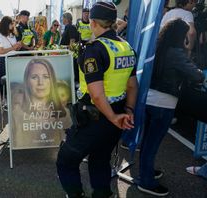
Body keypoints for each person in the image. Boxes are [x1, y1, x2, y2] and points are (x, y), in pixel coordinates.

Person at [56, 2, 138, 198]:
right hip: (118, 114)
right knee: (100, 158)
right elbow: (133, 85)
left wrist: (112, 117)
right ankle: (102, 194)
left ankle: (75, 194)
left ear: (92, 22)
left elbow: (97, 94)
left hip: (95, 116)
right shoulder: (126, 46)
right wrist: (128, 112)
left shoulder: (94, 49)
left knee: (66, 160)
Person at [138, 18, 204, 197]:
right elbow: (196, 76)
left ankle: (146, 172)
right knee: (152, 144)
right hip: (163, 103)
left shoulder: (157, 48)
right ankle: (146, 181)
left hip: (148, 100)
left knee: (146, 142)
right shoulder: (176, 53)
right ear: (180, 35)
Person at [11, 58, 71, 148]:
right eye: (34, 77)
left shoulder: (65, 114)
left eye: (46, 77)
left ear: (52, 80)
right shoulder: (17, 114)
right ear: (27, 81)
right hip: (26, 159)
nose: (40, 83)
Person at [0, 16, 21, 82]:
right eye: (11, 23)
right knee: (5, 81)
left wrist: (18, 46)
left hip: (13, 58)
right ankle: (5, 92)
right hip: (4, 60)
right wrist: (13, 48)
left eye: (13, 23)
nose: (13, 25)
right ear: (6, 24)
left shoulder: (13, 34)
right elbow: (0, 51)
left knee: (14, 81)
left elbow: (14, 49)